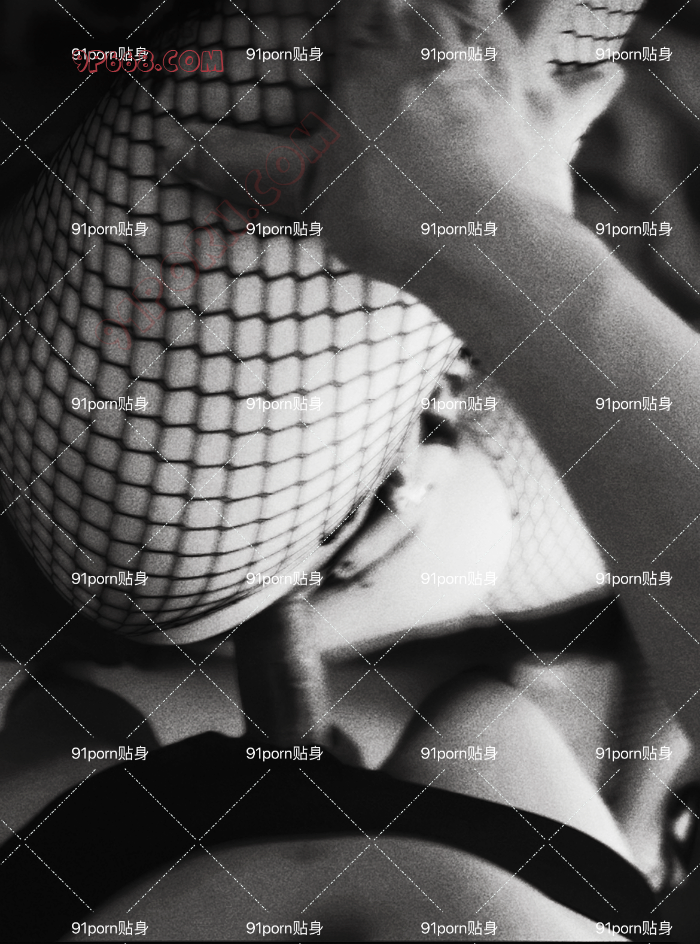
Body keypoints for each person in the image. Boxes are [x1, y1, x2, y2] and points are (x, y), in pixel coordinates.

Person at [2, 0, 698, 940]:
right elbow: (486, 725)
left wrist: (487, 219)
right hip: (448, 502)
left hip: (217, 509)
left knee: (403, 36)